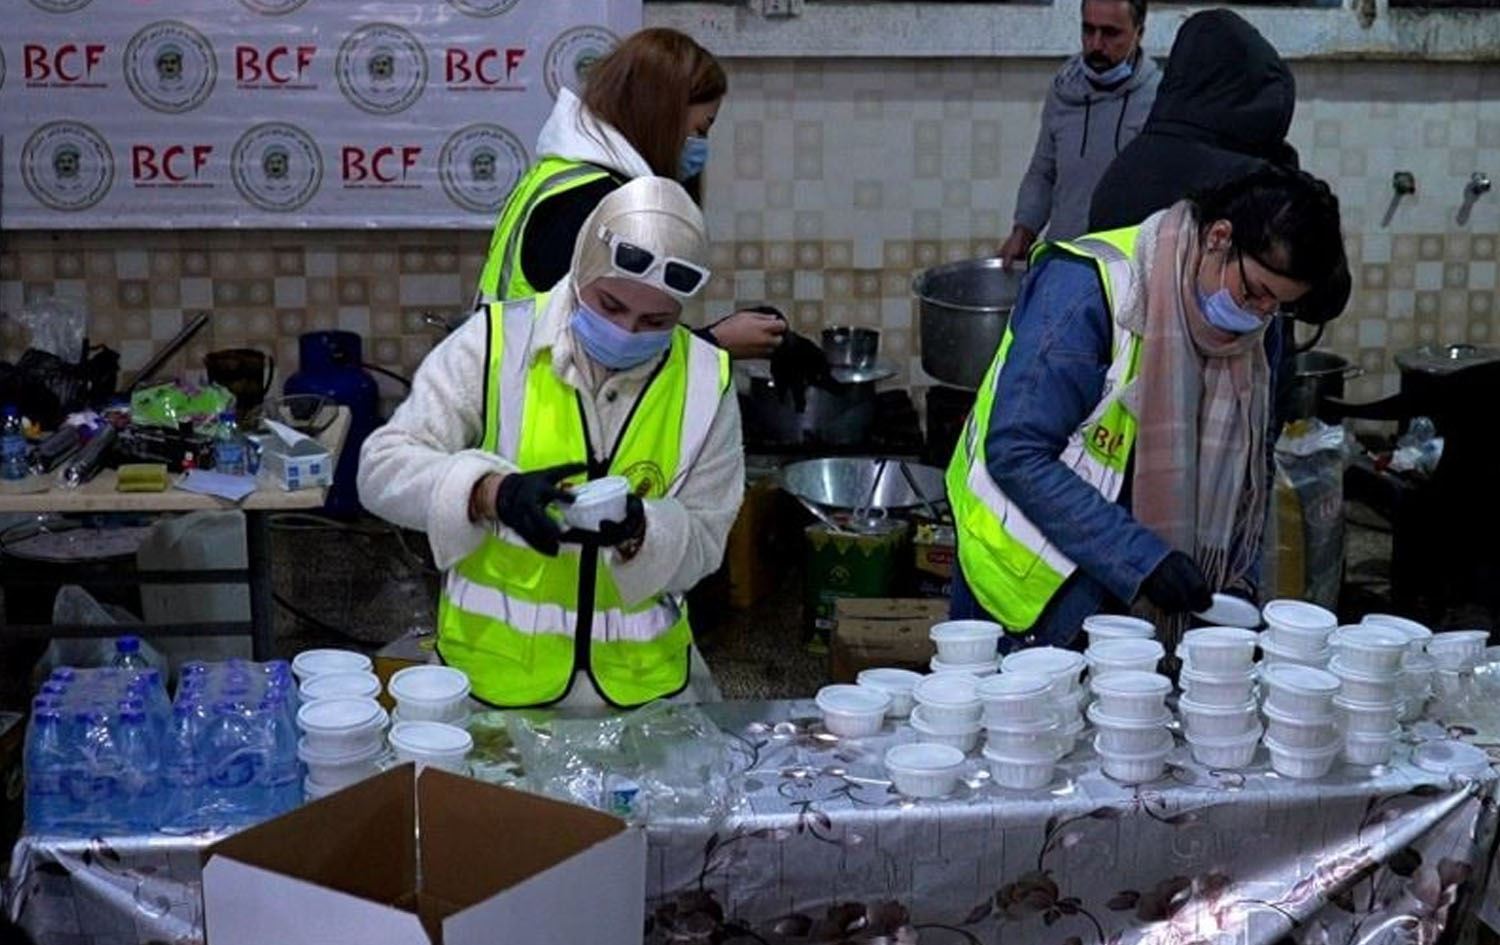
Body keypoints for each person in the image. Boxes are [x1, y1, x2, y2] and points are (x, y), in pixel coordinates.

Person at [360, 177, 743, 708]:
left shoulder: (704, 379)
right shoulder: (497, 343)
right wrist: (488, 493)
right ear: (582, 270)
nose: (627, 332)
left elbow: (708, 536)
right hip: (493, 692)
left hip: (642, 696)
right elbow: (380, 470)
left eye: (655, 320)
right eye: (610, 305)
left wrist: (643, 532)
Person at [947, 166, 1347, 651]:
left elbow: (1251, 467)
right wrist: (1143, 560)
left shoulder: (1261, 330)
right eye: (1255, 292)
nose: (1260, 315)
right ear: (1220, 237)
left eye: (1279, 306)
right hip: (1031, 581)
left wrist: (1236, 581)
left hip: (1142, 589)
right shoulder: (1089, 288)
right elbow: (1017, 450)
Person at [1088, 8, 1351, 408]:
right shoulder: (1249, 184)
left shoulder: (1122, 170)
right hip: (1219, 401)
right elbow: (1328, 295)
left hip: (1118, 393)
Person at [475, 27, 785, 361]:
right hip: (545, 404)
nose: (700, 147)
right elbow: (606, 354)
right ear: (663, 116)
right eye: (700, 129)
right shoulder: (594, 202)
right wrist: (715, 344)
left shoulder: (560, 176)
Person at [997, 0, 1160, 267]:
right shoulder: (1064, 90)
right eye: (1088, 30)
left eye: (1110, 33)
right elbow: (1044, 171)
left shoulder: (1157, 98)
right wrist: (1023, 229)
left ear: (1139, 33)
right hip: (1065, 257)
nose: (1096, 44)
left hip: (1126, 268)